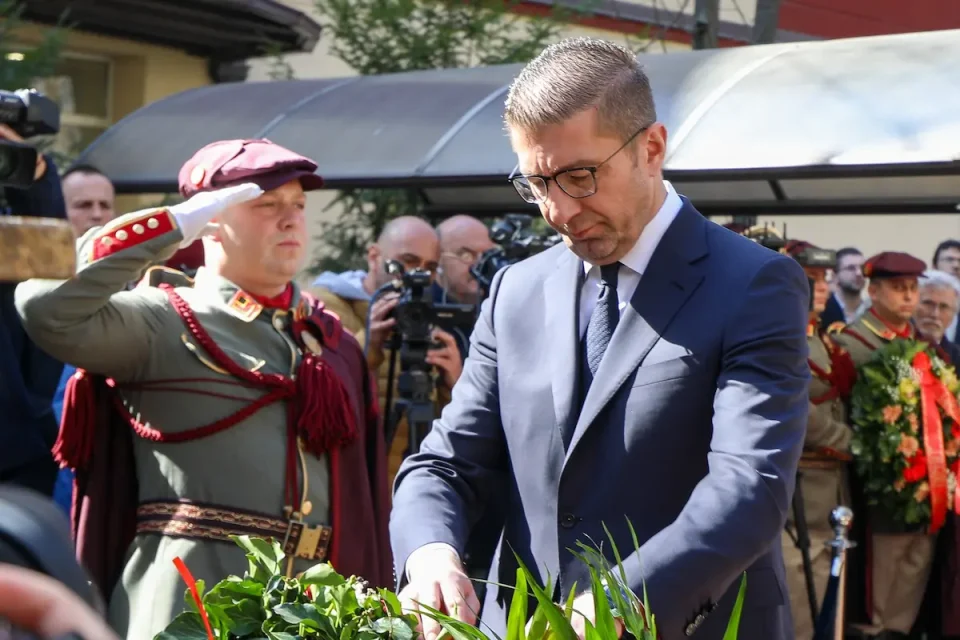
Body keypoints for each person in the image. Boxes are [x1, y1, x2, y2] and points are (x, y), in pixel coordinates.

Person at [390, 37, 810, 640]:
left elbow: (750, 486)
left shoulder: (754, 283)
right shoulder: (516, 290)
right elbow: (446, 464)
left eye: (580, 176)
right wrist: (430, 553)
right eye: (537, 183)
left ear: (652, 149)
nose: (558, 210)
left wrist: (624, 599)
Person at [15, 139, 391, 639]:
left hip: (313, 611)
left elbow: (365, 503)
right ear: (209, 220)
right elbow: (45, 307)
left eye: (298, 205)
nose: (290, 219)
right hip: (189, 605)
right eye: (266, 204)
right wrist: (171, 225)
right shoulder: (160, 320)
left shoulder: (330, 341)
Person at [831, 251, 933, 640]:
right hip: (872, 482)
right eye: (897, 288)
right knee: (881, 572)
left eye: (913, 288)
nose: (908, 296)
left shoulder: (922, 344)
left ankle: (899, 630)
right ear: (873, 291)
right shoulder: (850, 343)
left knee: (915, 565)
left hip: (925, 480)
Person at [775, 239, 856, 640]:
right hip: (800, 486)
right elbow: (795, 405)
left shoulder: (822, 337)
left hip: (828, 486)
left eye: (825, 278)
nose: (821, 287)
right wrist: (849, 440)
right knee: (798, 582)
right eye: (812, 278)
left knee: (827, 582)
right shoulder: (781, 334)